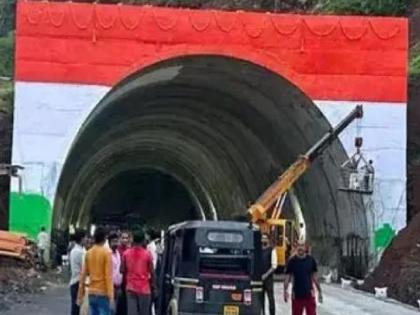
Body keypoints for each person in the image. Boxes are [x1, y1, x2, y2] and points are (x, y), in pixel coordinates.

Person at [77, 226, 114, 315]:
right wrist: (111, 297)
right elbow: (108, 277)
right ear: (105, 238)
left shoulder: (88, 253)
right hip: (103, 293)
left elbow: (83, 275)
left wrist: (80, 295)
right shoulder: (107, 253)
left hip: (91, 292)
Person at [121, 229, 156, 315]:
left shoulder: (126, 254)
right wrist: (154, 287)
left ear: (132, 239)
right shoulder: (147, 254)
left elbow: (121, 270)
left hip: (130, 288)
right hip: (144, 289)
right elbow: (152, 272)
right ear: (143, 240)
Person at [284, 242, 322, 315]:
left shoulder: (311, 260)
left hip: (309, 295)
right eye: (298, 245)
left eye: (302, 245)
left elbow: (315, 277)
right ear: (296, 247)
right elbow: (287, 277)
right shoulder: (292, 261)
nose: (300, 247)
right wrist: (285, 291)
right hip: (296, 295)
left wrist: (320, 291)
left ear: (305, 247)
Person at [69, 230, 87, 315]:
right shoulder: (80, 252)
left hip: (74, 280)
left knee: (75, 306)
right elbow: (85, 268)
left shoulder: (74, 250)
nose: (87, 239)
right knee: (77, 307)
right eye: (85, 237)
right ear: (82, 239)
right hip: (78, 282)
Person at [261, 234, 277, 315]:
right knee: (260, 299)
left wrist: (266, 275)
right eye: (262, 238)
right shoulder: (258, 250)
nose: (263, 240)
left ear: (268, 240)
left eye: (265, 238)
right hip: (259, 279)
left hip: (268, 279)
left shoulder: (272, 250)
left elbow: (274, 266)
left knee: (271, 299)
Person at [117, 231, 131, 315]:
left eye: (126, 238)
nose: (125, 240)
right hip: (119, 281)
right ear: (120, 239)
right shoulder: (117, 250)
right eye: (123, 238)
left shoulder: (130, 250)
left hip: (127, 281)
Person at [109, 232, 123, 314]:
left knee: (115, 311)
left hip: (118, 287)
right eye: (113, 241)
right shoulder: (107, 254)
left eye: (116, 241)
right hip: (110, 287)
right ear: (109, 242)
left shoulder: (118, 253)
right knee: (110, 310)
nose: (115, 243)